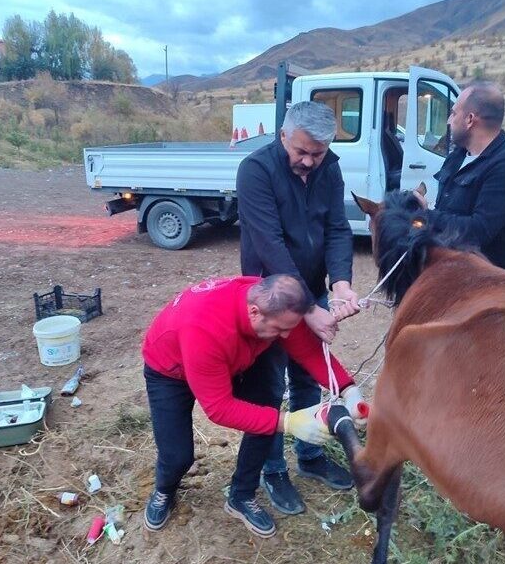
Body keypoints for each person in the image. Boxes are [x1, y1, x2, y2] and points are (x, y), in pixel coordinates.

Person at [141, 275, 367, 538]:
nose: (285, 336)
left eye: (288, 329)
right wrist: (290, 423)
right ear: (254, 312)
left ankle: (241, 495)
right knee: (178, 457)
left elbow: (308, 351)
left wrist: (349, 390)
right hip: (171, 370)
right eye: (280, 330)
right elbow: (219, 408)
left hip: (232, 357)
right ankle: (164, 490)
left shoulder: (274, 307)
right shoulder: (204, 328)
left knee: (264, 412)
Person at [235, 100, 362, 516]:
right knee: (268, 388)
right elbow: (269, 244)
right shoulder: (256, 171)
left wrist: (340, 283)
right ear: (283, 136)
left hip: (312, 293)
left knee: (308, 377)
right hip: (270, 298)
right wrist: (308, 307)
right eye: (301, 152)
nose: (309, 161)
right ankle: (273, 472)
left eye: (318, 153)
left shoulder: (329, 168)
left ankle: (310, 457)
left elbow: (337, 229)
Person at [418, 81, 505, 269]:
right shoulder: (456, 157)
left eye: (453, 113)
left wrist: (426, 216)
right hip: (448, 271)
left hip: (484, 285)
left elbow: (478, 231)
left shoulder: (504, 166)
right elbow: (446, 211)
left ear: (470, 119)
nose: (448, 121)